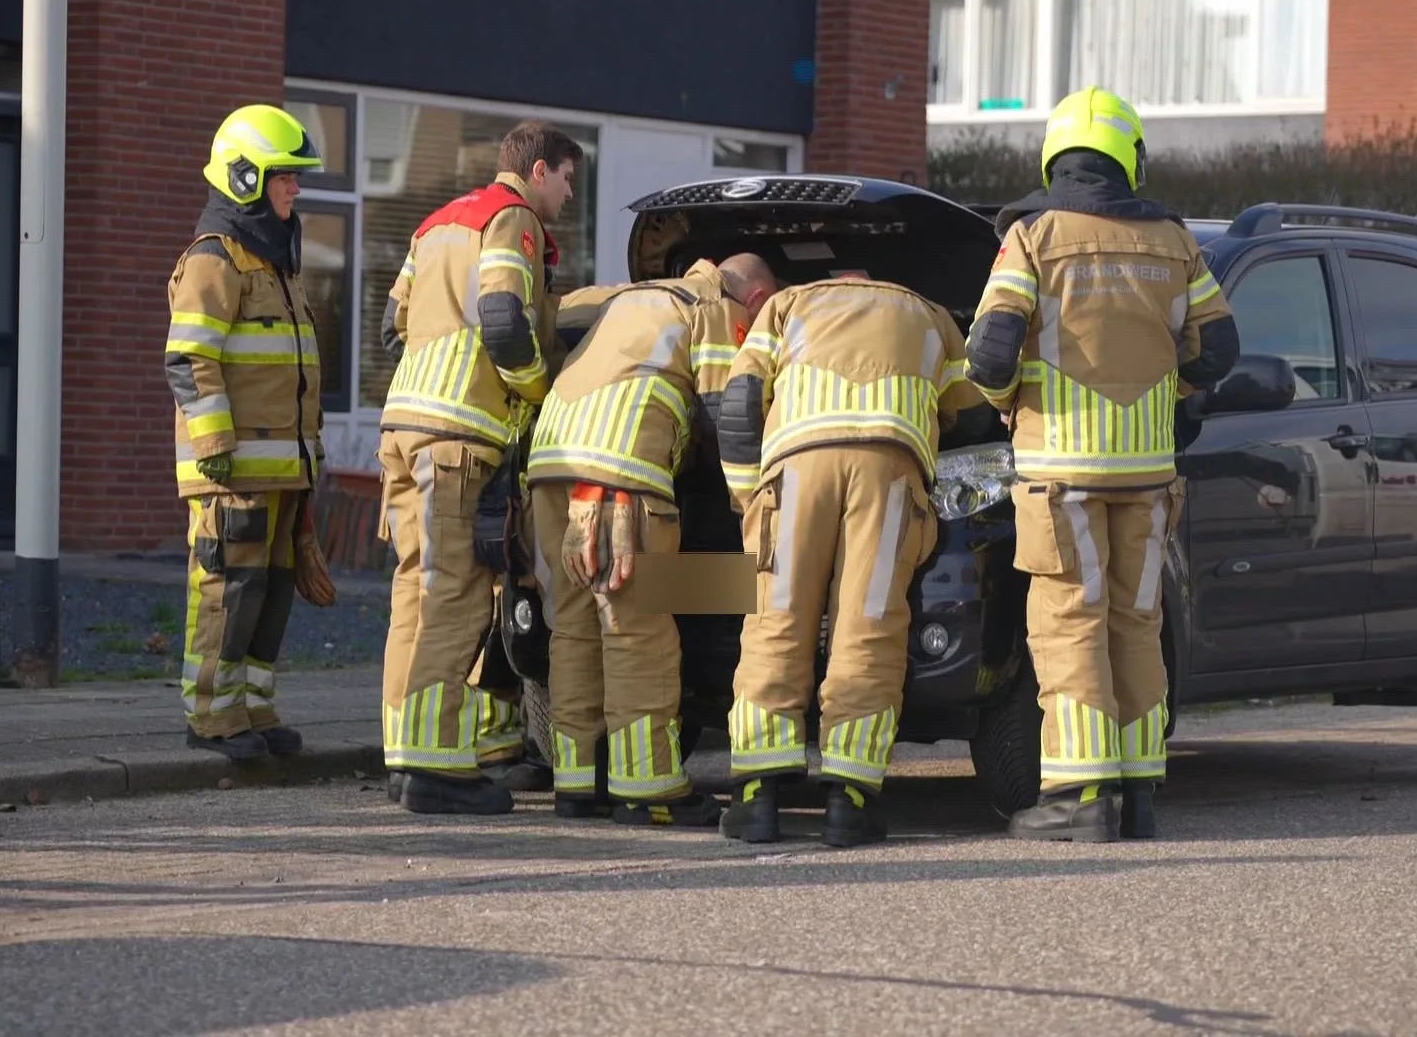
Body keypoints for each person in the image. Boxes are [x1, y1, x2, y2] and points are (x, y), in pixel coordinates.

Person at [964, 86, 1240, 842]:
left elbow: (989, 352)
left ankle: (1080, 799)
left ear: (1055, 156)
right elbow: (1219, 350)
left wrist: (1008, 398)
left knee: (1068, 624)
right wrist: (1165, 389)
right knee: (1136, 624)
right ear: (1131, 159)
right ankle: (1139, 792)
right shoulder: (1177, 242)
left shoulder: (1034, 238)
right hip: (1149, 473)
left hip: (1063, 474)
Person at [714, 273, 998, 847]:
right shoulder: (930, 311)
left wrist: (748, 501)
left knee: (778, 619)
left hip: (796, 469)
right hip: (888, 469)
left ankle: (757, 799)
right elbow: (972, 413)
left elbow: (740, 404)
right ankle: (850, 800)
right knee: (868, 626)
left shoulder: (787, 305)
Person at [524, 255, 781, 827]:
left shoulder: (636, 297)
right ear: (758, 300)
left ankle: (577, 782)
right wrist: (752, 507)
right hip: (620, 475)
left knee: (573, 626)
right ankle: (649, 789)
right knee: (637, 628)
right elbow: (726, 414)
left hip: (548, 467)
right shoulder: (716, 309)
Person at [374, 119, 583, 815]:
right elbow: (502, 320)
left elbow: (390, 326)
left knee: (415, 591)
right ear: (541, 169)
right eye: (568, 177)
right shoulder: (511, 217)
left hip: (404, 425)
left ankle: (407, 754)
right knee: (456, 594)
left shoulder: (435, 223)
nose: (570, 193)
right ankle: (435, 768)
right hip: (458, 436)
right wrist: (534, 389)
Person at [165, 103, 338, 763]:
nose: (295, 189)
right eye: (284, 177)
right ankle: (211, 715)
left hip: (282, 471)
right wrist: (213, 446)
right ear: (244, 179)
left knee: (268, 595)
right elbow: (188, 357)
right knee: (226, 591)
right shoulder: (215, 262)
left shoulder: (276, 266)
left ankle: (253, 707)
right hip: (232, 471)